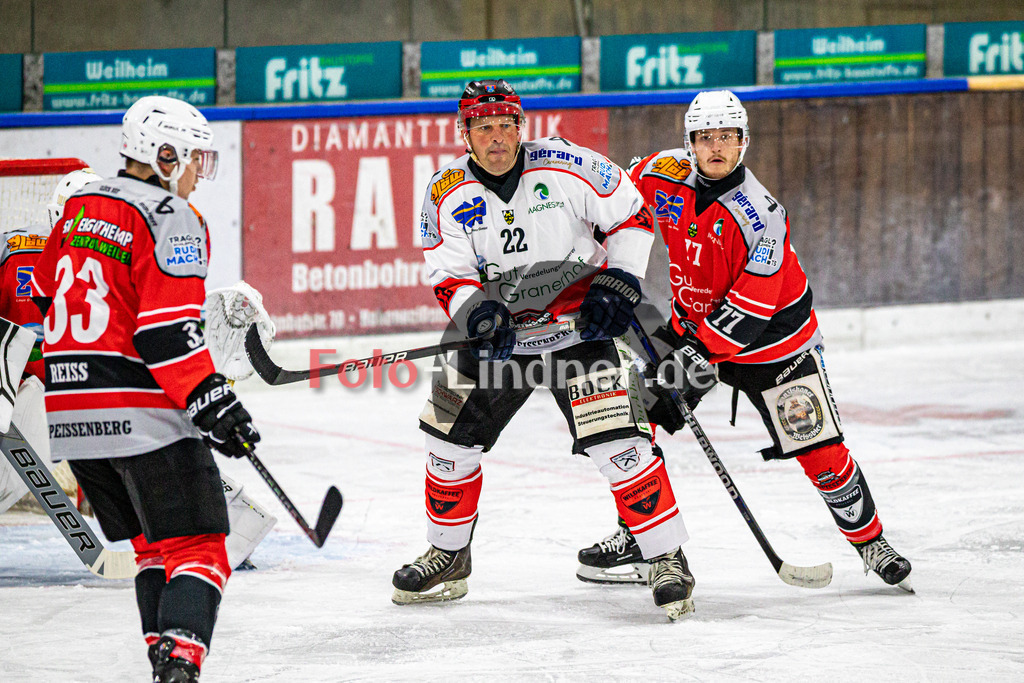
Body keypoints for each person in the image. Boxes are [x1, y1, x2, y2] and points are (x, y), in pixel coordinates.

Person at [577, 90, 913, 592]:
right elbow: (615, 205)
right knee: (634, 419)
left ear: (744, 140)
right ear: (689, 142)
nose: (716, 147)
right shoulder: (658, 174)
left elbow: (749, 313)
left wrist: (692, 358)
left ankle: (871, 542)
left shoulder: (761, 214)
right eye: (705, 137)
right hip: (695, 326)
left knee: (818, 448)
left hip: (776, 344)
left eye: (727, 137)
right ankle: (641, 535)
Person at [391, 79, 694, 620]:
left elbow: (632, 214)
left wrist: (621, 280)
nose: (497, 137)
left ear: (521, 126)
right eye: (483, 127)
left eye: (507, 124)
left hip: (580, 332)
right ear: (464, 133)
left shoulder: (567, 164)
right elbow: (448, 276)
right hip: (499, 340)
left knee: (619, 443)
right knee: (446, 440)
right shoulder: (445, 191)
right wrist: (478, 315)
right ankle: (449, 554)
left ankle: (666, 557)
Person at [31, 95, 262, 682]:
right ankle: (180, 669)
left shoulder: (79, 206)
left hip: (73, 422)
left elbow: (40, 301)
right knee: (202, 549)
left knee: (154, 550)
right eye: (192, 160)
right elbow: (166, 333)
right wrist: (213, 398)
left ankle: (164, 662)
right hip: (140, 414)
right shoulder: (173, 216)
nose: (196, 174)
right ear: (166, 155)